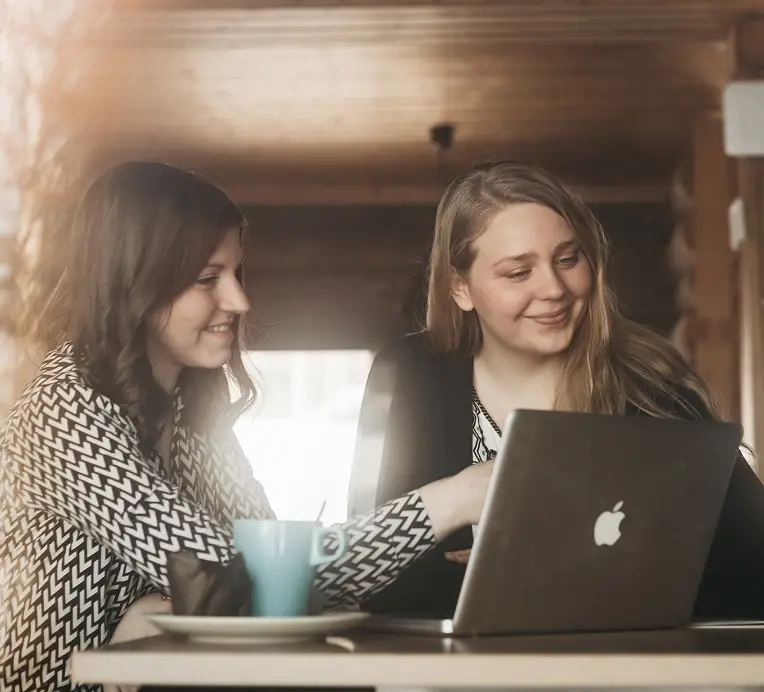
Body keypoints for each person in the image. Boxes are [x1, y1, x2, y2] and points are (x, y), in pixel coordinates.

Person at [0, 161, 493, 692]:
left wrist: (165, 611)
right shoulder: (67, 406)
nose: (239, 301)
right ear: (136, 283)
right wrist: (451, 500)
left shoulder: (189, 415)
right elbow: (234, 578)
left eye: (237, 274)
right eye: (208, 279)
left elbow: (288, 578)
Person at [348, 159, 764, 620]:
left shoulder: (652, 385)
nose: (554, 288)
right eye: (517, 272)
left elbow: (750, 570)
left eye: (567, 259)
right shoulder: (410, 374)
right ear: (460, 289)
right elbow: (371, 577)